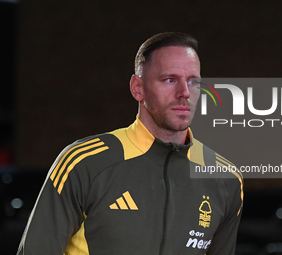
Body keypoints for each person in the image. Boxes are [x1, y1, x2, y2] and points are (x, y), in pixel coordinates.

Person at [17, 32, 243, 255]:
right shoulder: (84, 162)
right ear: (138, 88)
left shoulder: (225, 178)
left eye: (193, 81)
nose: (184, 92)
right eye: (170, 80)